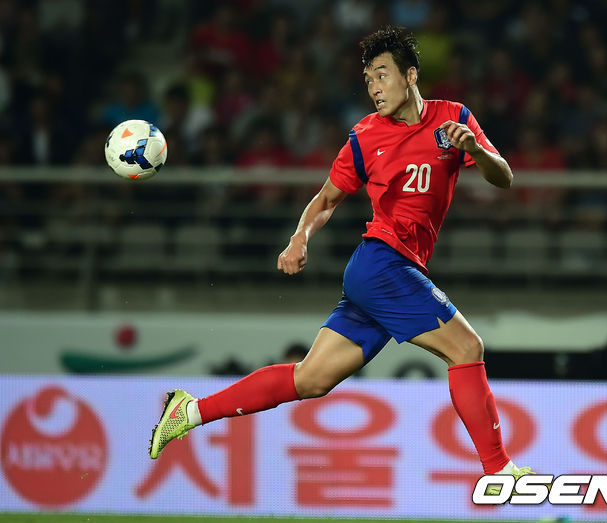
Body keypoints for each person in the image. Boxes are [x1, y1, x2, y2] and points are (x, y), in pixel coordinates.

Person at [148, 25, 533, 492]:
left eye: (382, 74)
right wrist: (299, 238)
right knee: (467, 348)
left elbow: (504, 177)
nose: (374, 87)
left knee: (310, 379)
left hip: (387, 271)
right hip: (383, 263)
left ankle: (189, 411)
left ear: (411, 75)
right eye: (368, 79)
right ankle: (500, 471)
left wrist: (473, 149)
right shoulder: (365, 136)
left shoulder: (454, 118)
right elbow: (326, 199)